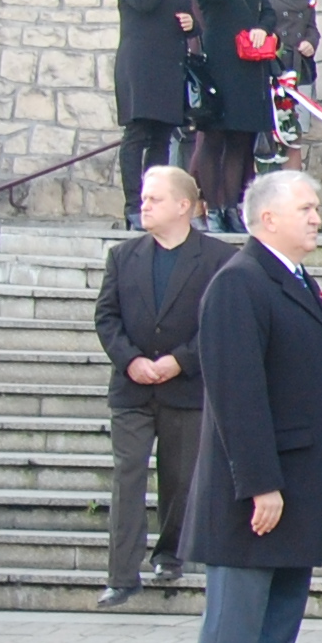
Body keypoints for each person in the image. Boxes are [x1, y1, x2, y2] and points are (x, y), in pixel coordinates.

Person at [177, 169, 322, 643]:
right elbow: (236, 393)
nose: (316, 217)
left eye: (316, 207)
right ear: (267, 218)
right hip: (256, 491)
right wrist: (259, 483)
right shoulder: (240, 282)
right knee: (236, 625)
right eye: (305, 208)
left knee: (275, 625)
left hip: (298, 483)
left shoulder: (292, 278)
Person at [92, 165, 228, 608]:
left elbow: (219, 321)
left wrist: (180, 361)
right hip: (132, 389)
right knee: (127, 476)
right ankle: (121, 574)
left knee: (181, 478)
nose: (144, 205)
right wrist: (130, 359)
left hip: (185, 388)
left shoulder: (218, 258)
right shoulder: (123, 256)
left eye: (154, 199)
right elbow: (107, 316)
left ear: (184, 206)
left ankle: (171, 553)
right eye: (144, 198)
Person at [185, 0, 274, 233]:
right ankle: (214, 207)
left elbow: (268, 11)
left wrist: (262, 29)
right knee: (215, 139)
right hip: (220, 65)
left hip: (248, 66)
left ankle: (232, 207)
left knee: (240, 139)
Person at [113, 0, 195, 225]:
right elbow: (143, 0)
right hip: (139, 64)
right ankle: (134, 206)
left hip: (169, 64)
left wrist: (190, 24)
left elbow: (186, 10)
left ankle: (155, 202)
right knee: (137, 134)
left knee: (162, 136)